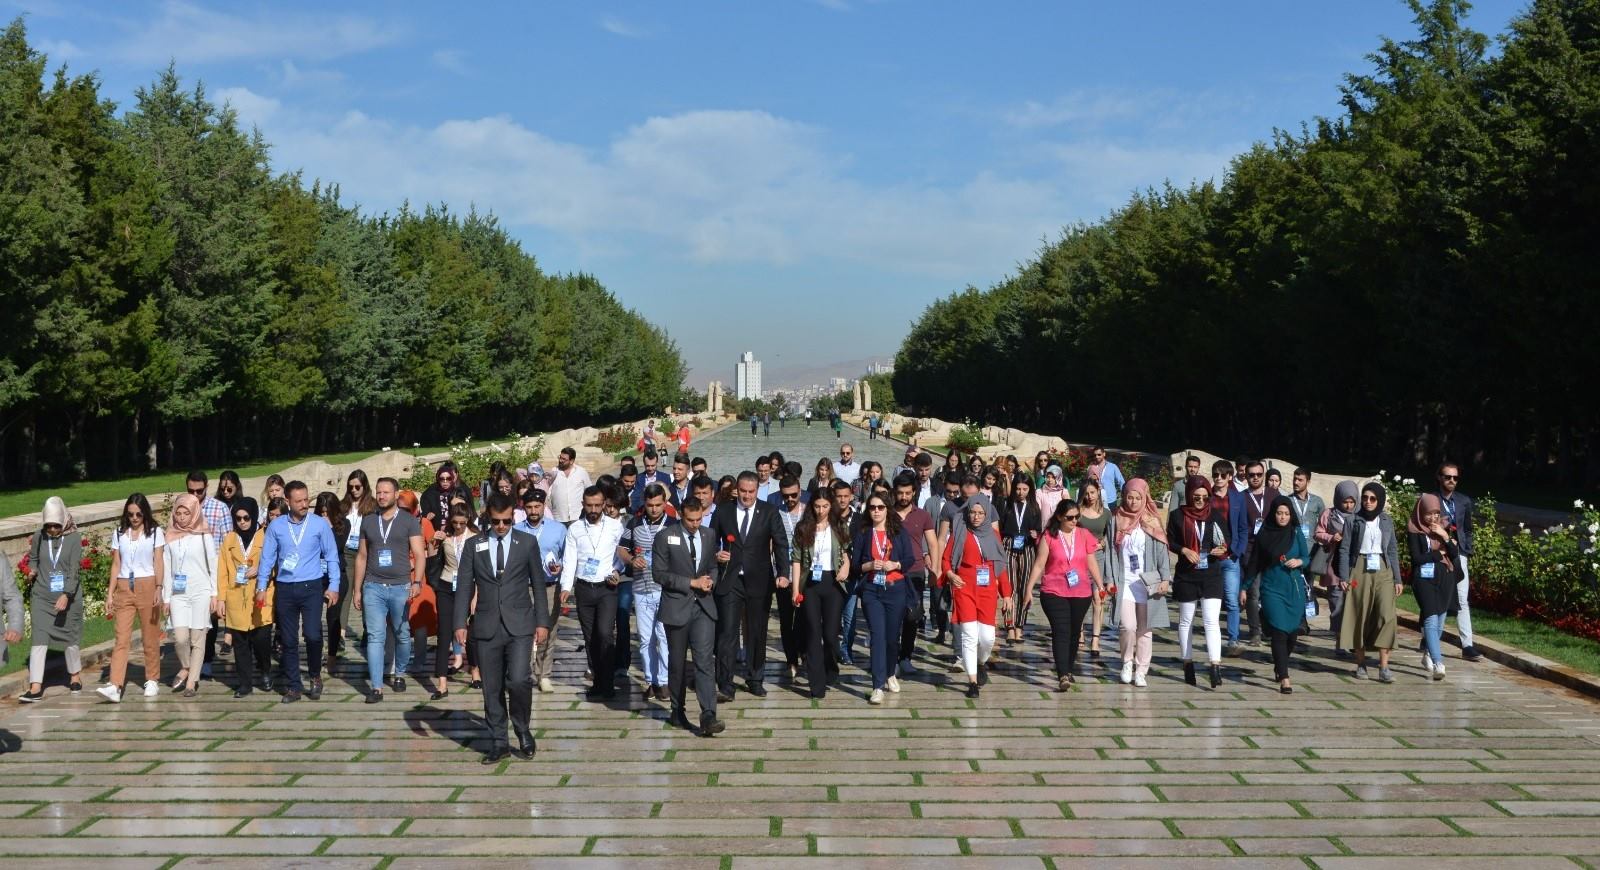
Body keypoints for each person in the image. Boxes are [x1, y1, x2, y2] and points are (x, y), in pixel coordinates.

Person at [454, 492, 548, 763]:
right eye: (496, 522)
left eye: (507, 521)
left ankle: (522, 729)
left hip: (519, 623)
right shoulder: (475, 545)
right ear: (488, 519)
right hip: (486, 624)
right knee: (491, 687)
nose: (502, 527)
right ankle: (498, 740)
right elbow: (464, 586)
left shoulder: (526, 543)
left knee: (519, 679)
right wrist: (460, 622)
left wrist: (542, 622)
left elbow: (539, 585)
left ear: (513, 517)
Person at [254, 481, 341, 704]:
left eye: (306, 500)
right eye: (299, 501)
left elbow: (331, 556)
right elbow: (267, 559)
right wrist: (261, 587)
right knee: (289, 640)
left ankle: (314, 675)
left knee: (312, 635)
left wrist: (333, 586)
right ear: (288, 502)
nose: (304, 505)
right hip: (285, 588)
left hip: (311, 586)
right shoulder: (276, 527)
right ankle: (294, 686)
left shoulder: (319, 524)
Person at [710, 471, 790, 699]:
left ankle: (755, 678)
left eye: (751, 492)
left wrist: (783, 572)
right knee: (727, 633)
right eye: (742, 491)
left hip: (759, 579)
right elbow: (711, 539)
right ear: (738, 489)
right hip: (731, 579)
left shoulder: (769, 512)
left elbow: (781, 543)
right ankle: (724, 683)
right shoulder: (724, 510)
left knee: (757, 631)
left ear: (757, 490)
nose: (746, 496)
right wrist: (717, 554)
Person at [352, 478, 425, 703]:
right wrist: (357, 589)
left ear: (395, 495)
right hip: (373, 586)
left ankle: (400, 672)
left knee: (402, 633)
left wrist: (417, 582)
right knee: (375, 636)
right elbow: (362, 556)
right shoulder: (368, 521)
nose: (382, 496)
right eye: (379, 492)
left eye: (386, 492)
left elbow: (420, 554)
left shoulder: (409, 521)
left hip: (401, 586)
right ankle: (376, 687)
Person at [656, 496, 725, 735]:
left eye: (699, 519)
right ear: (681, 516)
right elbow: (659, 574)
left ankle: (708, 714)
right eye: (690, 520)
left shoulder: (708, 535)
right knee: (677, 663)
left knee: (705, 660)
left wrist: (710, 582)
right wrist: (691, 582)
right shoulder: (665, 537)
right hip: (676, 607)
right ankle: (677, 709)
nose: (695, 524)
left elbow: (713, 566)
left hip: (703, 607)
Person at [1024, 499, 1102, 691]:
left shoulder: (1084, 535)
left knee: (1075, 632)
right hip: (1054, 590)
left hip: (1080, 591)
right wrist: (1028, 589)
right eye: (1069, 517)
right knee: (1061, 630)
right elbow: (1040, 564)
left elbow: (1091, 562)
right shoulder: (1049, 537)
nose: (1074, 520)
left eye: (1077, 517)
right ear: (1059, 517)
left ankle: (1068, 667)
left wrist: (1100, 586)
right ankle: (1062, 674)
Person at [939, 501, 1010, 698]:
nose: (976, 516)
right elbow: (946, 559)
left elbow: (1001, 565)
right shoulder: (960, 533)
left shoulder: (994, 535)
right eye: (972, 512)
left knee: (987, 638)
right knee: (969, 635)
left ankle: (980, 662)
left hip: (987, 591)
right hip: (965, 587)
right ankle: (972, 682)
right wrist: (950, 575)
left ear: (986, 514)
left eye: (980, 513)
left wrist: (1006, 593)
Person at [98, 494, 165, 703]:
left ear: (145, 512)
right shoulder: (120, 533)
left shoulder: (155, 532)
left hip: (147, 583)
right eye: (130, 514)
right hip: (125, 585)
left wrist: (158, 587)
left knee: (150, 635)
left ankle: (152, 678)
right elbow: (116, 564)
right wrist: (110, 593)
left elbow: (159, 562)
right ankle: (115, 685)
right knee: (121, 637)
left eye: (138, 514)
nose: (135, 518)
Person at [561, 485, 626, 699]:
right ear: (583, 505)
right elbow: (569, 559)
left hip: (606, 588)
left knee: (605, 635)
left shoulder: (616, 527)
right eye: (590, 506)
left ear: (604, 504)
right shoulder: (575, 529)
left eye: (598, 505)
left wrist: (618, 570)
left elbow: (621, 555)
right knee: (590, 638)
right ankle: (598, 681)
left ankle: (607, 684)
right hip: (584, 588)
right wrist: (565, 587)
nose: (594, 509)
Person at [1106, 479, 1172, 688]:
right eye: (1130, 497)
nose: (1133, 502)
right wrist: (1109, 579)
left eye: (1138, 498)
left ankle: (1141, 669)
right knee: (1127, 626)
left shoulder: (1152, 519)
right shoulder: (1116, 519)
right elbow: (1109, 549)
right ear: (1124, 496)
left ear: (1144, 498)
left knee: (1145, 629)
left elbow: (1162, 550)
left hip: (1148, 582)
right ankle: (1126, 662)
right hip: (1125, 581)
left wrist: (1165, 577)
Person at [20, 497, 85, 703]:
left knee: (70, 638)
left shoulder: (74, 538)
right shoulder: (40, 536)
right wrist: (32, 570)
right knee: (39, 638)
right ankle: (35, 686)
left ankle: (74, 675)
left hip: (68, 596)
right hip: (42, 595)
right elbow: (34, 558)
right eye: (49, 526)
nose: (53, 531)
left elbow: (74, 570)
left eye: (56, 526)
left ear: (63, 522)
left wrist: (66, 594)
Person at [1337, 482, 1402, 683]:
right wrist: (1344, 576)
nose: (1368, 502)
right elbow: (1344, 549)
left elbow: (1392, 550)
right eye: (1365, 498)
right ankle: (1361, 663)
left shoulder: (1386, 520)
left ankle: (1384, 666)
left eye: (1373, 498)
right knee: (1359, 614)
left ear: (1380, 500)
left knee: (1386, 615)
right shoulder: (1353, 520)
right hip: (1360, 568)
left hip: (1383, 568)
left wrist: (1398, 578)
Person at [852, 492, 913, 704]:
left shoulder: (898, 531)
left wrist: (895, 564)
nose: (876, 511)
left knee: (891, 637)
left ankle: (889, 673)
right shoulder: (863, 532)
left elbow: (909, 559)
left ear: (888, 509)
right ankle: (877, 685)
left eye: (880, 507)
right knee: (877, 635)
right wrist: (869, 565)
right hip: (871, 590)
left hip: (895, 589)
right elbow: (855, 564)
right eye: (872, 507)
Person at [1168, 476, 1228, 689]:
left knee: (1211, 621)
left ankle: (1215, 665)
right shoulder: (1177, 516)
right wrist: (1184, 550)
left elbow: (1225, 541)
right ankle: (1187, 662)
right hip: (1187, 574)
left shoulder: (1216, 515)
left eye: (1204, 497)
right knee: (1186, 620)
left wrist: (1221, 550)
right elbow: (1171, 541)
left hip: (1211, 573)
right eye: (1196, 497)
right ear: (1190, 495)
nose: (1200, 501)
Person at [790, 488, 850, 699]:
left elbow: (846, 550)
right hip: (811, 584)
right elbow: (796, 560)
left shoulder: (839, 525)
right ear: (811, 506)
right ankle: (817, 684)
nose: (821, 510)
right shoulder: (804, 528)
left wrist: (846, 567)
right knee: (813, 633)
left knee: (830, 635)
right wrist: (795, 589)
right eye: (817, 506)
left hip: (833, 582)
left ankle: (831, 668)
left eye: (825, 506)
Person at [161, 494, 222, 697]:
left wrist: (214, 594)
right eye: (178, 513)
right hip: (178, 593)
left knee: (198, 638)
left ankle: (192, 681)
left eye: (186, 513)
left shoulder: (203, 535)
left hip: (200, 591)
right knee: (180, 638)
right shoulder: (169, 536)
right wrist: (166, 598)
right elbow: (167, 567)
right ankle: (186, 666)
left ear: (194, 513)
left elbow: (213, 564)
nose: (181, 517)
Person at [621, 484, 673, 701]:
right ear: (644, 502)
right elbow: (621, 549)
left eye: (658, 505)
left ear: (665, 503)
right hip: (641, 589)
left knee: (664, 637)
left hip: (665, 590)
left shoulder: (673, 525)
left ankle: (664, 681)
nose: (654, 509)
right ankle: (651, 681)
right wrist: (632, 560)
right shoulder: (634, 523)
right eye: (650, 505)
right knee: (645, 639)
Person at [1252, 496, 1309, 693]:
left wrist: (1299, 562)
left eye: (1286, 513)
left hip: (1293, 588)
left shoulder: (1296, 532)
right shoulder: (1264, 533)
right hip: (1271, 588)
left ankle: (1279, 665)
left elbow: (1306, 556)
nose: (1283, 517)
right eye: (1279, 513)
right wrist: (1244, 587)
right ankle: (1285, 678)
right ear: (1273, 513)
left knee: (1292, 634)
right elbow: (1254, 562)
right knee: (1279, 632)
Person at [219, 498, 272, 698]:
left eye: (246, 518)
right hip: (236, 597)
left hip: (260, 596)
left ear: (254, 516)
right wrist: (221, 598)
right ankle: (244, 683)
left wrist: (261, 569)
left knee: (261, 639)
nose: (242, 522)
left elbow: (275, 561)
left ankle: (265, 670)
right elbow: (222, 571)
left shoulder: (266, 536)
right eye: (238, 518)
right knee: (240, 642)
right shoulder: (230, 539)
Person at [514, 488, 566, 692]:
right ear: (523, 508)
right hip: (523, 586)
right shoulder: (517, 529)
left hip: (549, 585)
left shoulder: (558, 529)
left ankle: (544, 673)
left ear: (544, 506)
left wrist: (560, 566)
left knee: (549, 629)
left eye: (537, 506)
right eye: (529, 507)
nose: (534, 511)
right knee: (523, 630)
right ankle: (524, 671)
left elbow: (566, 555)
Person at [1409, 493, 1461, 681]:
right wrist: (1438, 555)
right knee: (1430, 618)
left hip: (1445, 578)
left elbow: (1454, 553)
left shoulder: (1444, 528)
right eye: (1428, 514)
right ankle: (1439, 662)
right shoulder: (1414, 530)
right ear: (1421, 513)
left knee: (1440, 620)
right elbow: (1416, 558)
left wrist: (1444, 535)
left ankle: (1429, 654)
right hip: (1424, 579)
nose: (1433, 518)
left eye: (1436, 513)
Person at [426, 504, 474, 700]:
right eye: (455, 523)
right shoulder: (447, 537)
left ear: (468, 520)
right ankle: (442, 683)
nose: (459, 526)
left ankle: (475, 671)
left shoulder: (475, 538)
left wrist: (477, 595)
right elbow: (432, 560)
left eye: (462, 523)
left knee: (471, 630)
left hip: (469, 586)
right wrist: (432, 543)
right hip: (447, 585)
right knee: (444, 633)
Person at [1435, 463, 1481, 662]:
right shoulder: (1431, 499)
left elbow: (1468, 528)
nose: (1451, 481)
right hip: (1438, 553)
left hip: (1459, 553)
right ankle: (1429, 635)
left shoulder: (1463, 501)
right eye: (1447, 477)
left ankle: (1467, 645)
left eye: (1455, 477)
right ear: (1439, 477)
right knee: (1437, 596)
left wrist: (1466, 549)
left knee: (1462, 597)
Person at [892, 474, 937, 677]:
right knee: (893, 617)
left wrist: (934, 569)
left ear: (914, 493)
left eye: (907, 493)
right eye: (900, 493)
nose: (903, 496)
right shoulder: (887, 513)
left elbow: (933, 543)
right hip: (892, 571)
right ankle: (891, 657)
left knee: (912, 617)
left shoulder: (922, 515)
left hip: (916, 571)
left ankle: (906, 656)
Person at [1232, 460, 1278, 650]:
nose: (1256, 478)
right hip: (1250, 551)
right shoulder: (1240, 497)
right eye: (1252, 475)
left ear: (1264, 475)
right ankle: (1255, 631)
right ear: (1246, 476)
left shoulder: (1273, 495)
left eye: (1259, 474)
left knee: (1271, 593)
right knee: (1253, 593)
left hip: (1271, 550)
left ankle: (1271, 628)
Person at [1313, 480, 1359, 657]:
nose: (1348, 505)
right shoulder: (1329, 514)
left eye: (1351, 501)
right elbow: (1318, 533)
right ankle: (1340, 640)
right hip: (1333, 565)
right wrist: (1331, 537)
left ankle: (1354, 640)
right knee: (1337, 602)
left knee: (1353, 603)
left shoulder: (1360, 516)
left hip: (1353, 567)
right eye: (1345, 501)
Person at [772, 476, 809, 681]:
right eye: (786, 496)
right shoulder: (776, 514)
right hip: (784, 573)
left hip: (805, 573)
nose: (790, 499)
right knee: (786, 620)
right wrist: (779, 573)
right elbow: (772, 546)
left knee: (805, 618)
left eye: (794, 495)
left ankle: (804, 651)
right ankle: (791, 660)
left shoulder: (809, 513)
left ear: (800, 492)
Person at [1000, 477, 1042, 643]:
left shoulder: (1033, 508)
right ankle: (1009, 625)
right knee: (1009, 587)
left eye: (1024, 489)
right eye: (1018, 489)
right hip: (1010, 545)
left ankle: (1020, 625)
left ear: (1029, 490)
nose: (1021, 493)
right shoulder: (1007, 505)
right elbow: (1001, 527)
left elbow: (1039, 530)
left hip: (1027, 547)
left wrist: (1035, 534)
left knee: (1025, 587)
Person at [1076, 478, 1113, 660]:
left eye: (1093, 492)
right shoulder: (1078, 512)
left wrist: (1104, 543)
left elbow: (1110, 537)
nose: (1090, 496)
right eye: (1087, 493)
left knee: (1098, 598)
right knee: (1080, 597)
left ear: (1098, 492)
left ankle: (1096, 639)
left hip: (1099, 559)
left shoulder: (1106, 514)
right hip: (1080, 559)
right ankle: (1080, 631)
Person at [421, 461, 475, 530]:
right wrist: (426, 514)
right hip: (436, 531)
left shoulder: (458, 491)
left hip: (455, 530)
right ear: (438, 479)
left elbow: (468, 512)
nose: (445, 482)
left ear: (452, 478)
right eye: (442, 479)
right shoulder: (431, 492)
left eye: (448, 478)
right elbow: (425, 508)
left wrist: (461, 504)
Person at [1287, 468, 1325, 547]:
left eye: (1300, 480)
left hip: (1312, 546)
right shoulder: (1287, 500)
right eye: (1295, 479)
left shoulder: (1317, 501)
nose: (1295, 482)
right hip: (1292, 546)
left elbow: (1324, 524)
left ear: (1308, 482)